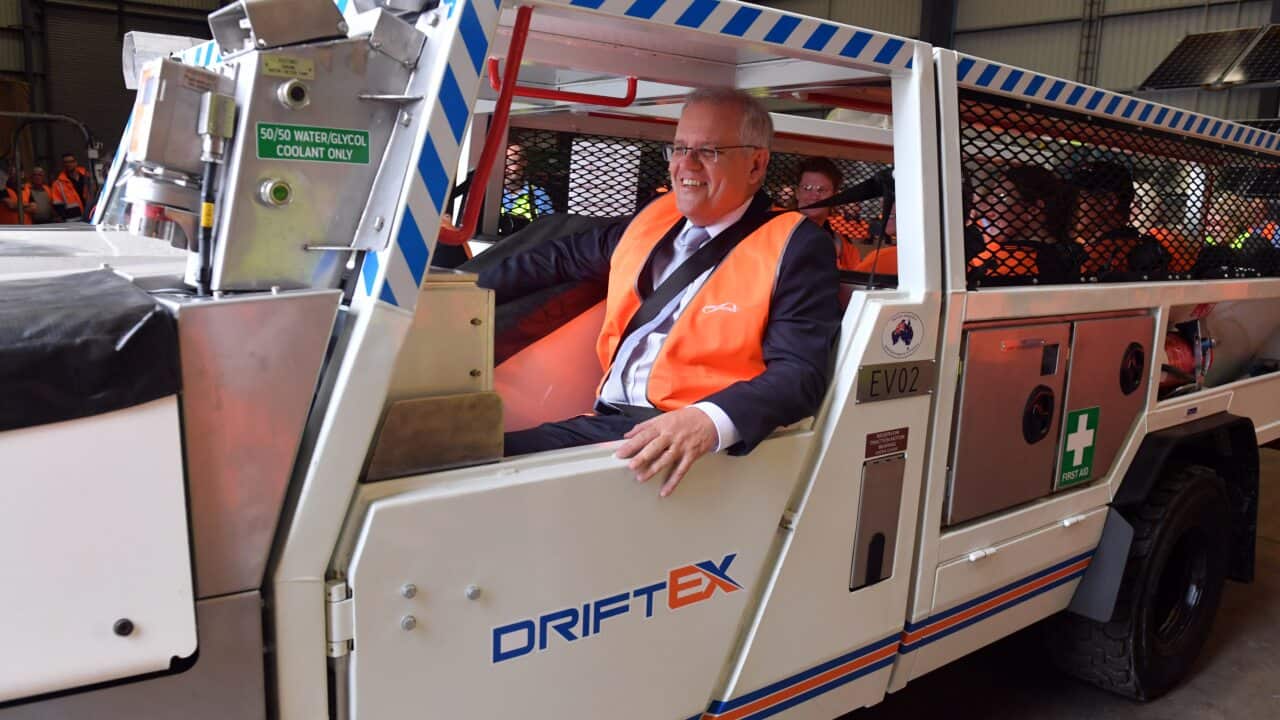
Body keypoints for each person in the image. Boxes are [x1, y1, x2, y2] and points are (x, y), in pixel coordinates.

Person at [479, 88, 840, 496]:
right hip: (608, 423)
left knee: (461, 475)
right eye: (680, 148)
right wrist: (456, 293)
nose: (686, 164)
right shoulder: (653, 221)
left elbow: (799, 375)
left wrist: (707, 421)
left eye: (709, 151)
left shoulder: (796, 245)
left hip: (681, 445)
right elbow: (555, 259)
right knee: (449, 458)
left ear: (756, 165)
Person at [968, 164, 1070, 278]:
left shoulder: (1023, 261)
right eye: (992, 198)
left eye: (1002, 198)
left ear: (1033, 209)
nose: (989, 211)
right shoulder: (1067, 256)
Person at [1068, 161, 1165, 277]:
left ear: (1108, 201)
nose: (1069, 204)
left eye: (1078, 196)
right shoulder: (1143, 250)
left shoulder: (1093, 259)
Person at [795, 157, 867, 271]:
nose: (814, 196)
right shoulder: (777, 232)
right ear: (797, 193)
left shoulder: (843, 247)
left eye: (822, 190)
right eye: (807, 188)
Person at [501, 143, 553, 227]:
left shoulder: (539, 196)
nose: (505, 167)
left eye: (510, 162)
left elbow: (547, 230)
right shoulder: (488, 193)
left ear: (523, 163)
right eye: (502, 162)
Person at [51, 152, 91, 221]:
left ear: (76, 163)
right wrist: (64, 217)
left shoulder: (87, 177)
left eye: (71, 162)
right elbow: (57, 205)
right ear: (63, 164)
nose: (69, 164)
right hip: (73, 220)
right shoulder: (58, 184)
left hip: (91, 216)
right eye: (66, 162)